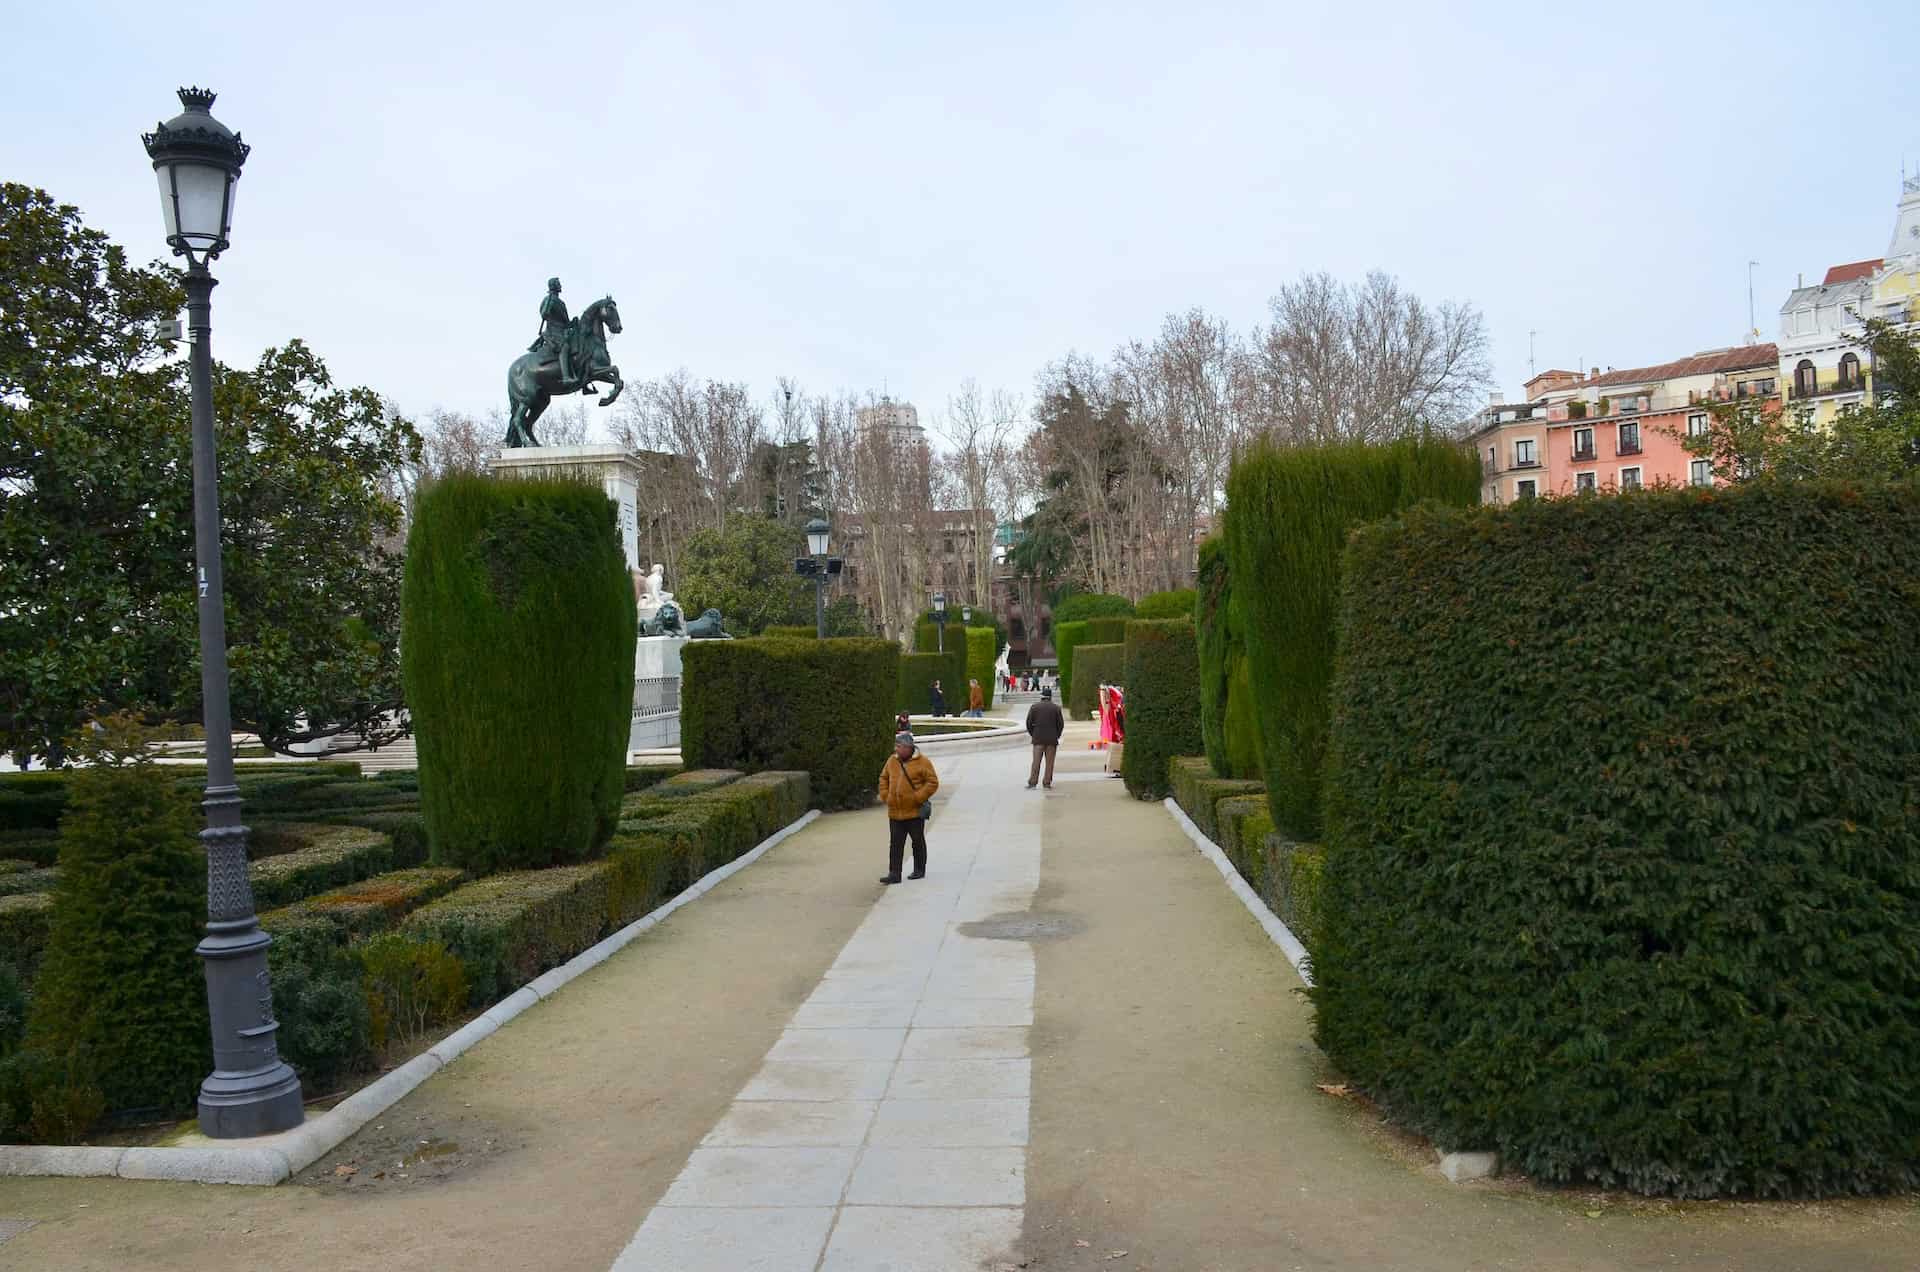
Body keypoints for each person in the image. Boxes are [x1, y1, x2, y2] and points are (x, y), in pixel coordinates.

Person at [876, 730, 938, 884]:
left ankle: (919, 870)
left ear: (909, 748)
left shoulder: (923, 762)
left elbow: (932, 782)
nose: (897, 749)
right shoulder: (892, 761)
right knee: (895, 844)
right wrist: (885, 795)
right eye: (896, 746)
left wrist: (918, 797)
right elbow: (883, 777)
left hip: (914, 812)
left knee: (917, 841)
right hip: (895, 811)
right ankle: (894, 874)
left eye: (900, 746)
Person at [1025, 685, 1065, 789]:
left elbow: (1029, 723)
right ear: (1050, 697)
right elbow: (1060, 724)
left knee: (1036, 762)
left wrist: (1033, 734)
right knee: (1049, 763)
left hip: (1038, 739)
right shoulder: (1056, 708)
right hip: (1052, 739)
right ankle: (1047, 782)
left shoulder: (1034, 707)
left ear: (1041, 696)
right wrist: (1057, 735)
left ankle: (1032, 782)